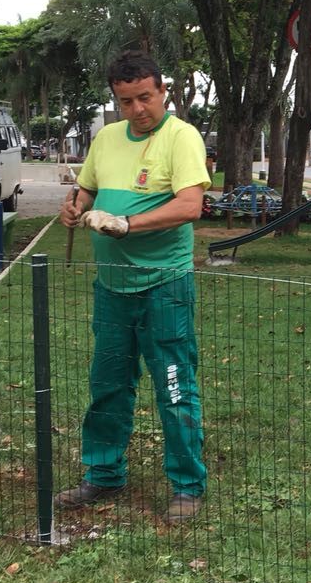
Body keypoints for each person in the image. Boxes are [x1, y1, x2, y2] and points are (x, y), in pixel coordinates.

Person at [55, 51, 211, 523]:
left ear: (163, 91)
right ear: (116, 101)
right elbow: (87, 189)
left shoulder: (181, 137)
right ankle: (103, 475)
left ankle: (187, 486)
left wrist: (126, 224)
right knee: (108, 385)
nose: (138, 109)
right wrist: (75, 206)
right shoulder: (106, 139)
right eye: (126, 101)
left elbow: (190, 206)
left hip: (164, 286)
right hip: (112, 288)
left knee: (174, 386)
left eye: (145, 97)